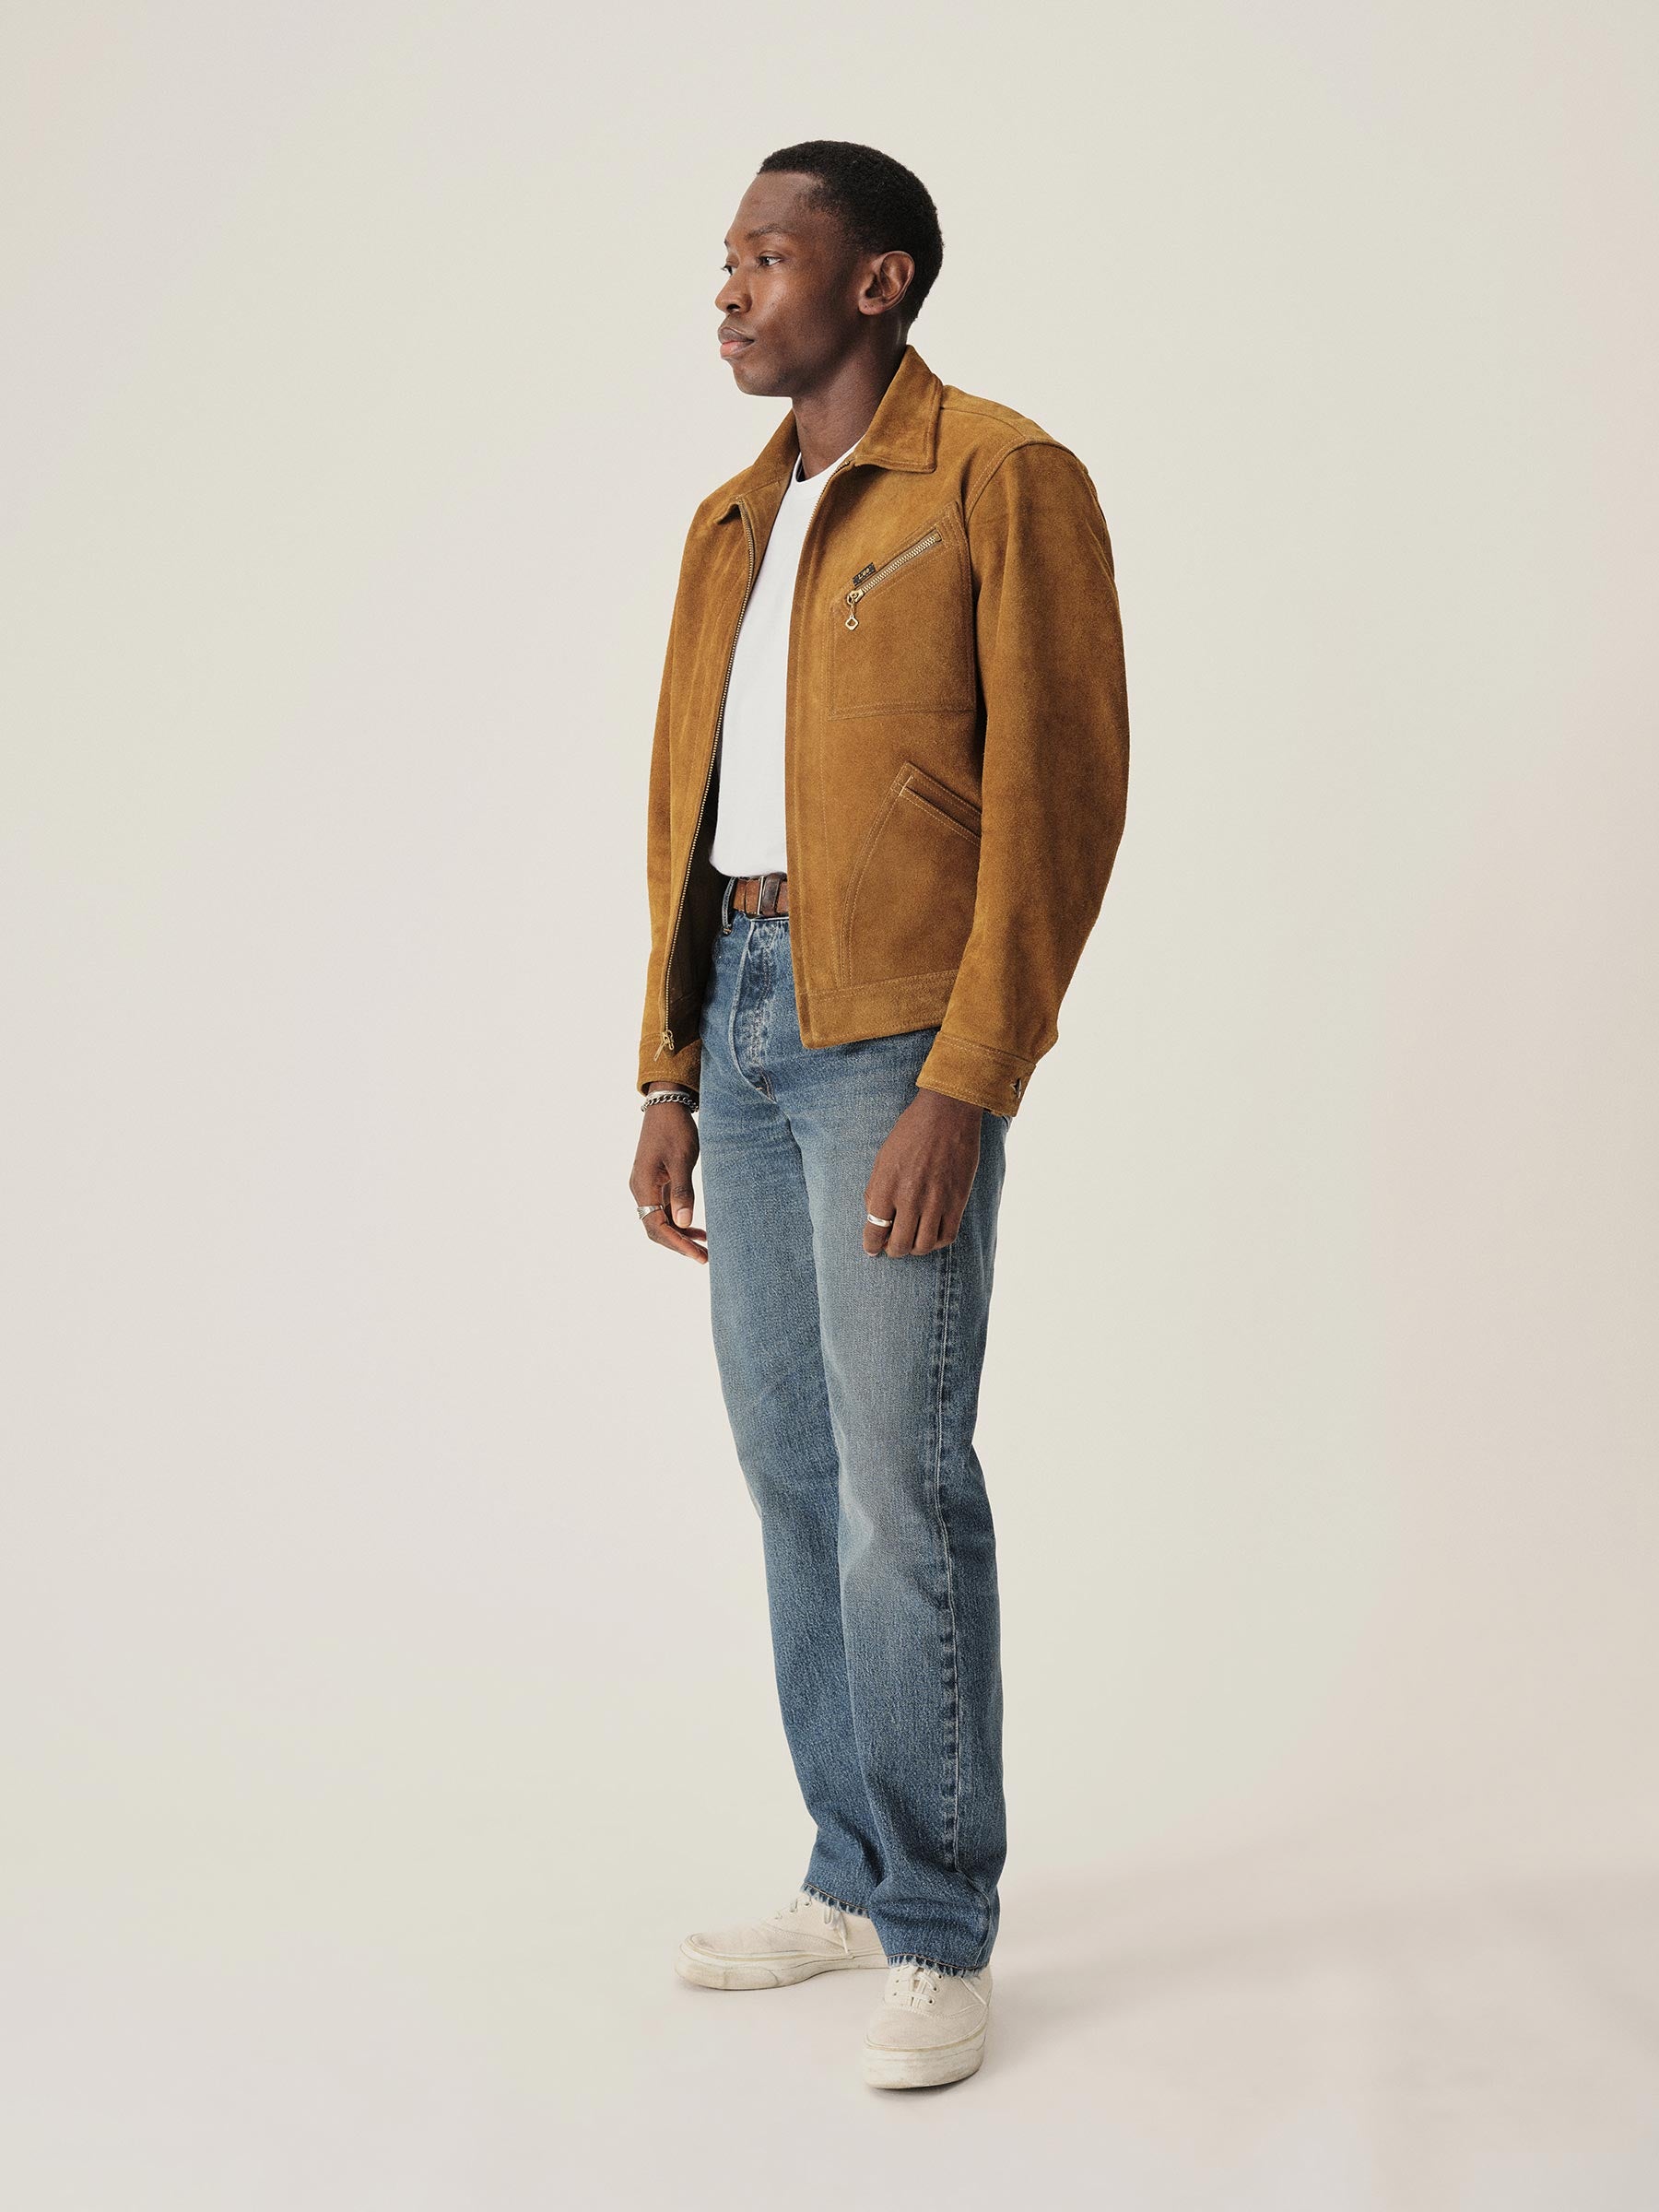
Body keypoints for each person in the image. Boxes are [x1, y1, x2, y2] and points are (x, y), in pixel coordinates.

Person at [628, 138, 1130, 2090]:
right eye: (726, 256)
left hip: (894, 1040)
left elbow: (1061, 803)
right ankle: (847, 1873)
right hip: (747, 1017)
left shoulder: (999, 476)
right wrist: (666, 1063)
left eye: (769, 254)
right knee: (790, 1470)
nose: (731, 287)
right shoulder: (732, 521)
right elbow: (679, 811)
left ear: (877, 280)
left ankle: (938, 1925)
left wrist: (966, 1079)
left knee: (901, 1487)